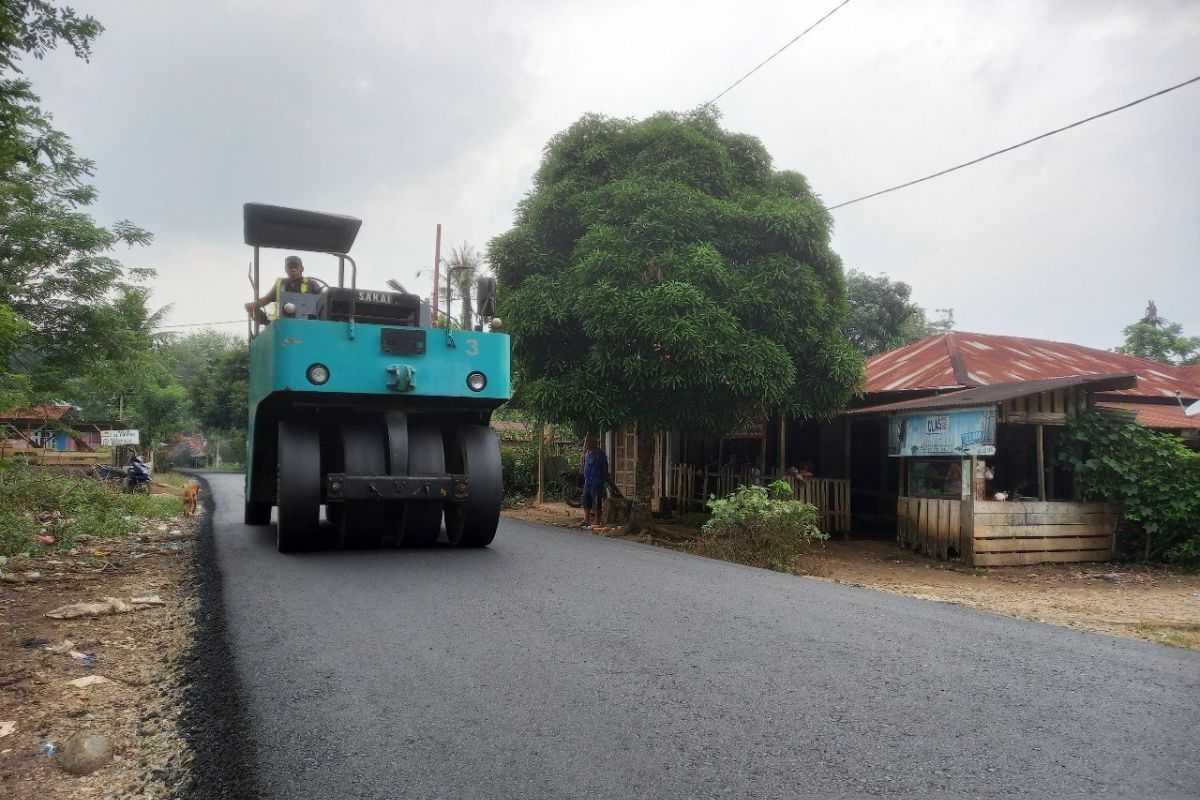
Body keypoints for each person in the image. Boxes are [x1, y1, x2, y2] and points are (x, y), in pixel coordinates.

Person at [244, 255, 327, 324]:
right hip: (283, 325)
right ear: (285, 269)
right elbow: (267, 299)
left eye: (296, 266)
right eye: (290, 267)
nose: (293, 269)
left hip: (308, 324)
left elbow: (323, 302)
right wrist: (253, 305)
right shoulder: (280, 284)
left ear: (302, 269)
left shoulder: (311, 283)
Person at [580, 436, 609, 528]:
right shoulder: (587, 454)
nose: (586, 444)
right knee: (585, 499)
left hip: (596, 481)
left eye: (588, 442)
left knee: (596, 501)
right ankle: (586, 519)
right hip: (587, 482)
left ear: (594, 443)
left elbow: (605, 467)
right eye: (586, 443)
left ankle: (597, 520)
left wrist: (604, 478)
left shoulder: (599, 454)